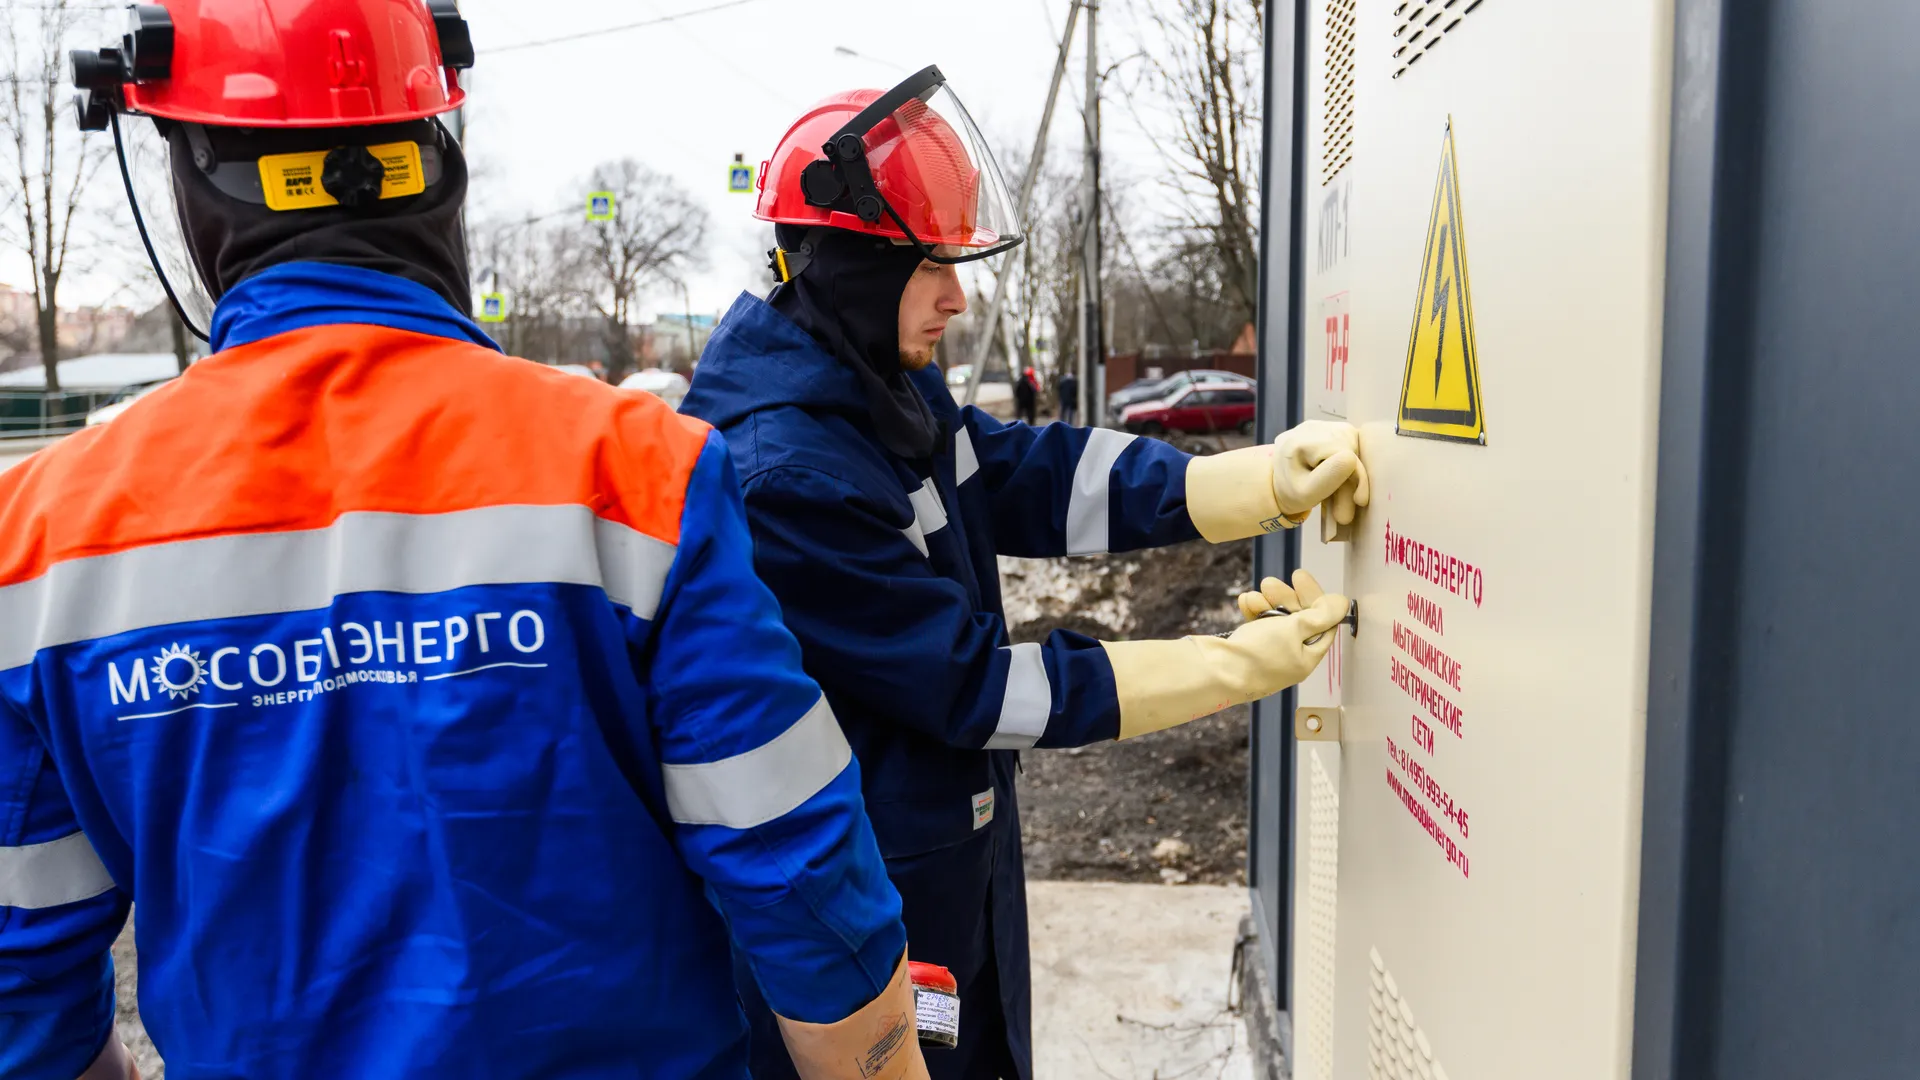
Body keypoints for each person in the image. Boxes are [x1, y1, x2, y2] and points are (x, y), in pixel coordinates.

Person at [1, 4, 928, 1078]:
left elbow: (26, 993)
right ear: (441, 162)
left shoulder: (40, 541)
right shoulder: (632, 468)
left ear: (186, 182)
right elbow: (801, 878)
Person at [681, 67, 1368, 1080]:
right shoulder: (787, 475)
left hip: (940, 861)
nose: (959, 298)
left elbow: (1025, 476)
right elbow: (972, 686)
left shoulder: (881, 401)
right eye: (932, 268)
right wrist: (1229, 669)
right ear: (853, 269)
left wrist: (1254, 481)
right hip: (859, 908)